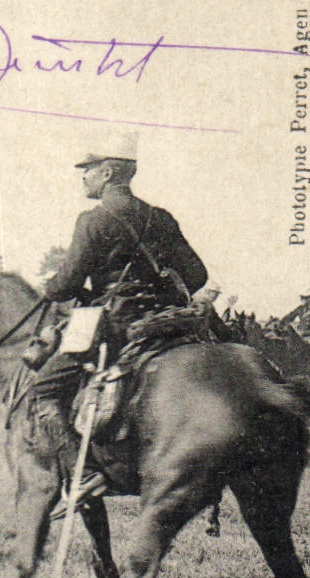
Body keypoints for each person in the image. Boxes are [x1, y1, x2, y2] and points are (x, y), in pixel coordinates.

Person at [29, 137, 208, 454]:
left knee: (44, 389)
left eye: (88, 169)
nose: (84, 176)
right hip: (168, 325)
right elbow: (197, 275)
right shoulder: (161, 218)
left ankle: (82, 471)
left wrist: (51, 286)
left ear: (108, 173)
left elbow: (66, 285)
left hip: (115, 327)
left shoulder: (92, 220)